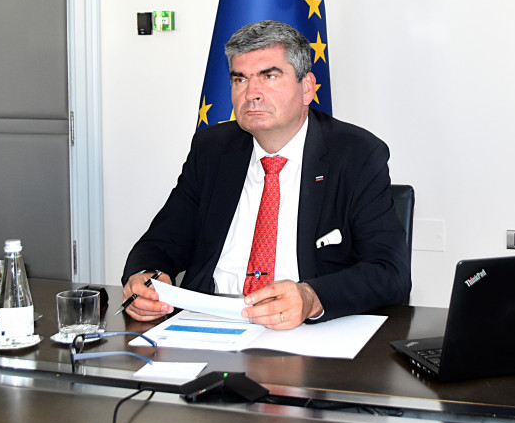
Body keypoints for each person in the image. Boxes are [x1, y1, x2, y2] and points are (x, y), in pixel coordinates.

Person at [121, 20, 410, 329]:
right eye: (240, 79)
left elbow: (389, 272)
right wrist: (146, 278)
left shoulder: (355, 154)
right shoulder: (213, 150)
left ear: (307, 87)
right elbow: (160, 244)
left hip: (306, 332)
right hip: (208, 325)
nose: (251, 94)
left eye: (269, 76)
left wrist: (311, 297)